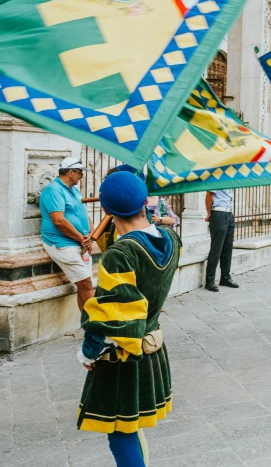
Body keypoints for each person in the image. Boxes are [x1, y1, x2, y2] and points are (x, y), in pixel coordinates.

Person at [76, 171, 181, 466]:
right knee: (131, 426)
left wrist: (88, 351)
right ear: (145, 202)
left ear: (106, 209)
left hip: (123, 353)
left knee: (120, 431)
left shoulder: (120, 253)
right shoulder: (172, 238)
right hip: (154, 344)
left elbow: (113, 314)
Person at [39, 157, 94, 310]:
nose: (82, 176)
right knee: (86, 284)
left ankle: (87, 325)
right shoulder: (53, 190)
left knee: (85, 285)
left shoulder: (74, 191)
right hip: (62, 243)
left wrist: (91, 234)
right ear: (71, 172)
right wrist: (82, 239)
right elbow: (59, 221)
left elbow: (84, 213)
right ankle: (95, 328)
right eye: (80, 173)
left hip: (80, 243)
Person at [204, 189, 238, 292]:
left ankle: (225, 277)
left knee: (227, 248)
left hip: (229, 213)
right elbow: (209, 196)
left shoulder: (229, 178)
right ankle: (209, 281)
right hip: (218, 213)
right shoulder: (216, 176)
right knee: (216, 248)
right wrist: (209, 213)